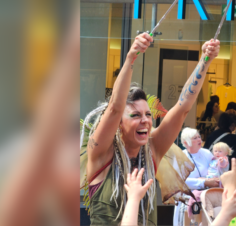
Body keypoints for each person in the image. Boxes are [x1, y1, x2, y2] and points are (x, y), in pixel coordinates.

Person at [81, 33, 220, 225]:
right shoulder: (101, 154)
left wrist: (205, 60)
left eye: (148, 114)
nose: (145, 120)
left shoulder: (151, 151)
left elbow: (182, 107)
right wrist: (131, 56)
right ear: (118, 124)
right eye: (135, 115)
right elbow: (114, 108)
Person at [174, 127, 220, 226]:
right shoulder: (180, 157)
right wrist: (203, 182)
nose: (199, 139)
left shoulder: (206, 153)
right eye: (195, 138)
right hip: (186, 200)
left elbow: (215, 170)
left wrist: (209, 178)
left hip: (205, 199)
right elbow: (179, 180)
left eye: (199, 137)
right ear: (186, 143)